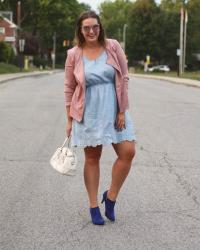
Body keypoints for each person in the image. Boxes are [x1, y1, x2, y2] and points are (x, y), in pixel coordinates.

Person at [64, 10, 136, 225]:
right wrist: (69, 120)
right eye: (86, 28)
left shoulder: (112, 46)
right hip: (88, 111)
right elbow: (69, 87)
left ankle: (111, 197)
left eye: (95, 26)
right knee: (92, 158)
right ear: (80, 30)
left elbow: (123, 78)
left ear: (100, 27)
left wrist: (121, 110)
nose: (91, 31)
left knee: (128, 152)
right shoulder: (74, 54)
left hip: (114, 108)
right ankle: (94, 205)